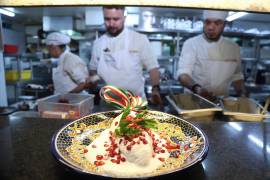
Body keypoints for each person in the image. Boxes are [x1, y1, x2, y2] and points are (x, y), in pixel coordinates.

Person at [88, 6, 163, 105]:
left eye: (116, 19)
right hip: (109, 105)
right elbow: (93, 71)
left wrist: (155, 89)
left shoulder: (139, 39)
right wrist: (92, 80)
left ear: (124, 17)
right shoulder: (98, 44)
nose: (111, 23)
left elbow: (152, 68)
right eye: (107, 19)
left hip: (135, 104)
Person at [177, 10, 246, 100]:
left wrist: (242, 95)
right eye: (207, 22)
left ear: (224, 25)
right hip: (194, 102)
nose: (211, 27)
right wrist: (197, 88)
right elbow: (183, 74)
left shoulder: (233, 47)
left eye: (217, 23)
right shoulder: (191, 44)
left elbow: (237, 76)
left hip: (221, 104)